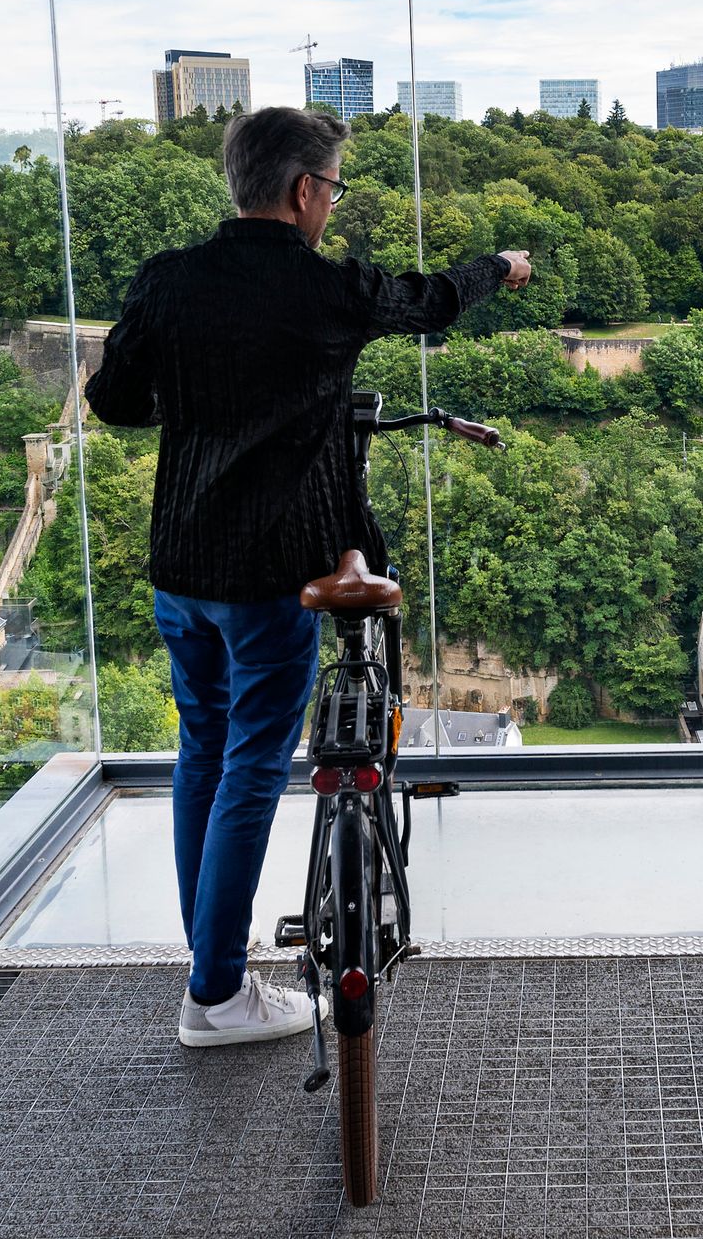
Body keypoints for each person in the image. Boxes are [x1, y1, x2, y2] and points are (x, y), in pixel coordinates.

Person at [86, 105, 531, 1046]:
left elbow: (116, 400)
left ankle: (215, 958)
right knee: (250, 763)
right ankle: (214, 996)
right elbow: (429, 299)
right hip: (270, 574)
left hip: (181, 568)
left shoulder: (168, 281)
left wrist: (206, 391)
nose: (330, 205)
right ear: (301, 191)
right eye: (331, 189)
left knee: (200, 755)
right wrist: (502, 268)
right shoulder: (323, 290)